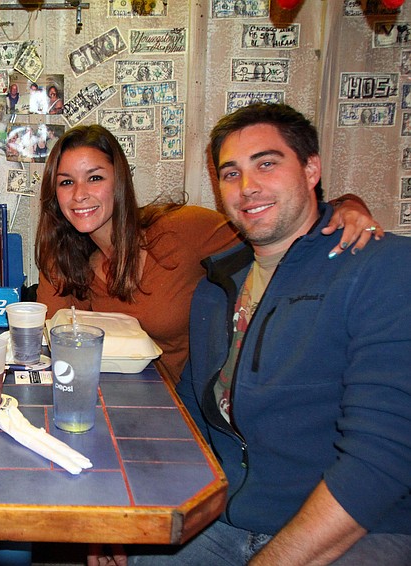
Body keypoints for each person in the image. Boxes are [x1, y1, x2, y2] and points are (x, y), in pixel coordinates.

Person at [131, 103, 411, 564]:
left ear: (311, 169)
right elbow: (188, 423)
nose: (247, 187)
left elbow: (379, 461)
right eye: (231, 173)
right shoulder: (216, 289)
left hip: (361, 526)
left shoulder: (384, 269)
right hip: (232, 517)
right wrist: (131, 523)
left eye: (266, 164)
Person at [35, 124, 378, 381]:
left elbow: (272, 226)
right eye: (66, 182)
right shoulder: (65, 258)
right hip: (121, 401)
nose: (79, 194)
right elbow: (48, 343)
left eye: (94, 178)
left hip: (195, 409)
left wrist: (345, 206)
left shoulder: (180, 230)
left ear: (119, 181)